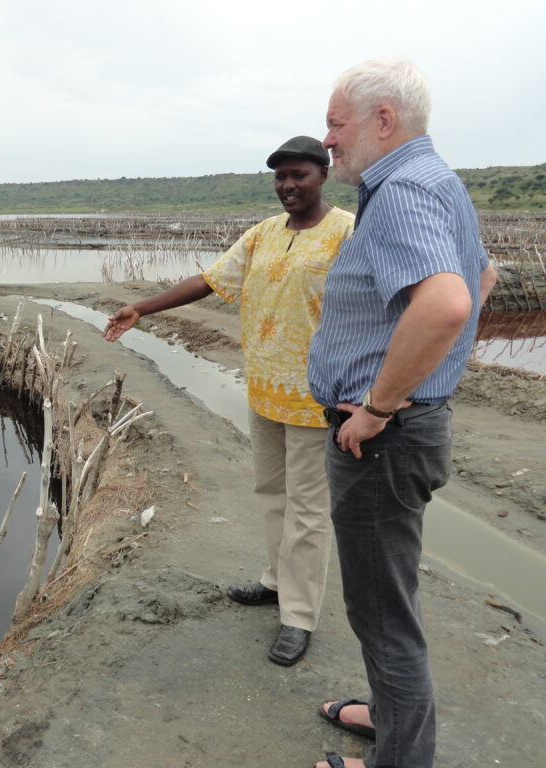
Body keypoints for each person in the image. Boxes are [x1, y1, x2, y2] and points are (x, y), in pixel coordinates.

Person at [306, 58, 497, 768]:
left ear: (382, 121)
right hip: (404, 430)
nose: (328, 140)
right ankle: (389, 716)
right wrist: (435, 377)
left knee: (384, 612)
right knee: (388, 594)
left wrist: (381, 408)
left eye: (335, 123)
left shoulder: (403, 190)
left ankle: (401, 759)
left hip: (380, 440)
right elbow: (482, 277)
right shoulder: (434, 179)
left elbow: (448, 302)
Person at [103, 136, 354, 666]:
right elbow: (211, 280)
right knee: (270, 493)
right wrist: (142, 308)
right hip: (265, 390)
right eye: (280, 177)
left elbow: (376, 307)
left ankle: (299, 616)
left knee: (308, 511)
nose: (288, 185)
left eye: (298, 175)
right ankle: (275, 581)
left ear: (323, 175)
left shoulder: (348, 231)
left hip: (319, 396)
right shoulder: (263, 234)